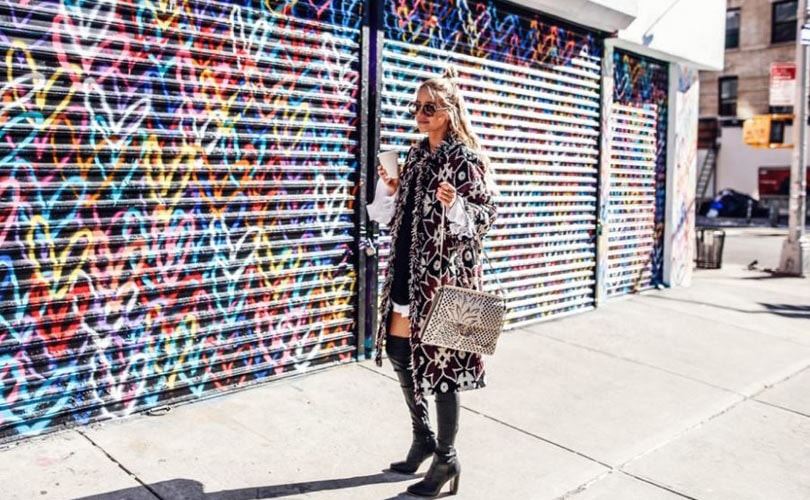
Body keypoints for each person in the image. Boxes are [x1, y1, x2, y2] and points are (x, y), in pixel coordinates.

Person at [367, 66, 498, 498]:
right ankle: (423, 436)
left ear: (449, 112)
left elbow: (486, 216)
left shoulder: (465, 159)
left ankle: (447, 457)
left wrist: (456, 203)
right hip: (407, 271)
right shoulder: (417, 155)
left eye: (429, 108)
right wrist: (392, 187)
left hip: (447, 280)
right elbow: (396, 217)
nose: (420, 115)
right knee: (398, 350)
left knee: (444, 370)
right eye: (417, 107)